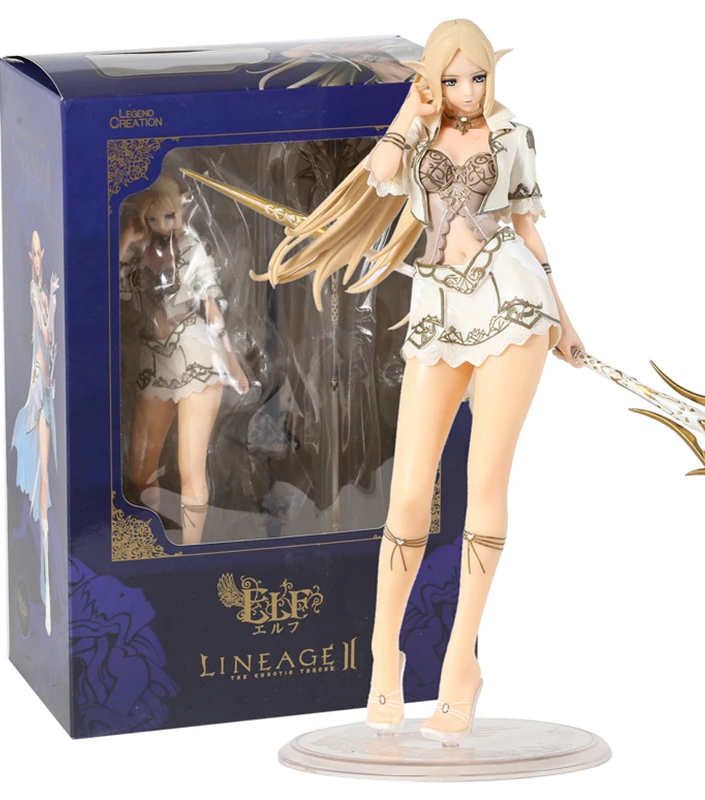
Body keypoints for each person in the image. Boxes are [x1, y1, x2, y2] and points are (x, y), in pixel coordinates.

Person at [264, 18, 586, 744]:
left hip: (513, 306)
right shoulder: (418, 136)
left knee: (484, 484)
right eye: (452, 78)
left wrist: (565, 320)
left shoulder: (513, 134)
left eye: (478, 76)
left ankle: (459, 665)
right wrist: (414, 106)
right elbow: (378, 172)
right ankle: (385, 655)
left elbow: (529, 235)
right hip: (439, 311)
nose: (468, 90)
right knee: (408, 492)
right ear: (433, 79)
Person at [120, 176, 249, 544]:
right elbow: (105, 292)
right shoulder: (133, 252)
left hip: (195, 357)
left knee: (190, 468)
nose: (162, 226)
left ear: (182, 208)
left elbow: (213, 311)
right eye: (152, 218)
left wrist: (232, 363)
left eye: (169, 216)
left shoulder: (192, 248)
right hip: (153, 363)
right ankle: (149, 543)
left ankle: (192, 551)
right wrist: (126, 239)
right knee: (140, 471)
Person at [12, 230, 59, 635]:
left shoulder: (41, 291)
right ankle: (45, 587)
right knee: (43, 470)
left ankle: (44, 524)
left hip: (46, 382)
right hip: (40, 384)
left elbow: (45, 335)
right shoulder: (33, 289)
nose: (38, 258)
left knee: (47, 471)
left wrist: (53, 300)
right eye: (35, 254)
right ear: (31, 257)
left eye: (40, 253)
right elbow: (41, 336)